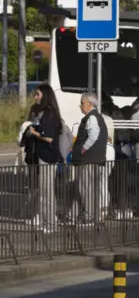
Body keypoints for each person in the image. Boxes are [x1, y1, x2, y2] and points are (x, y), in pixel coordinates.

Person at [22, 83, 64, 231]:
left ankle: (51, 223)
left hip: (47, 155)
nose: (35, 97)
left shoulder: (49, 114)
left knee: (47, 191)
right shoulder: (40, 113)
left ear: (45, 96)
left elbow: (49, 138)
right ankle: (44, 219)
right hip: (40, 154)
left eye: (38, 94)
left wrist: (34, 133)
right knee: (43, 190)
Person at [72, 92, 109, 223]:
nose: (80, 106)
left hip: (88, 159)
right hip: (95, 159)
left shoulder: (92, 117)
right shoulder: (97, 117)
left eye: (82, 103)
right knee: (91, 188)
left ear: (89, 104)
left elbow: (94, 134)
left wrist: (83, 148)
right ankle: (92, 214)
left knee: (85, 187)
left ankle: (89, 215)